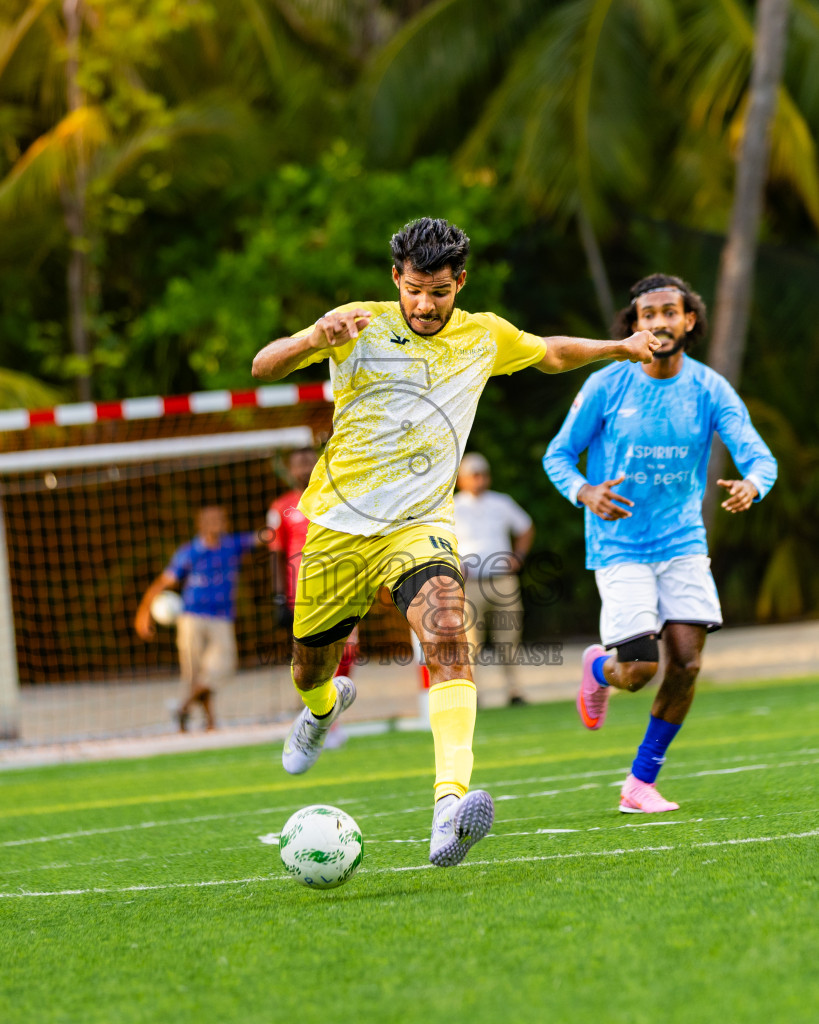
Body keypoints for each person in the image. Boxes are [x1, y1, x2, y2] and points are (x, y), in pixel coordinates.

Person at [251, 216, 660, 867]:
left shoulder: (483, 335)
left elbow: (551, 352)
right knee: (308, 669)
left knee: (449, 639)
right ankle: (322, 711)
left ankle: (448, 809)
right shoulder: (357, 323)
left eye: (438, 292)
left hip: (419, 526)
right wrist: (310, 336)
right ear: (396, 279)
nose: (424, 305)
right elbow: (262, 366)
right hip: (336, 526)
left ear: (459, 283)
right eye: (414, 290)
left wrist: (620, 347)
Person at [543, 273, 778, 813]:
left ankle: (639, 783)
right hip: (618, 544)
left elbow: (758, 456)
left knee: (688, 663)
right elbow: (558, 455)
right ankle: (598, 669)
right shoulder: (607, 385)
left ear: (689, 320)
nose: (659, 323)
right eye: (647, 315)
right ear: (634, 325)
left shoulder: (710, 388)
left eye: (669, 312)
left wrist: (753, 484)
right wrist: (585, 491)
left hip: (682, 542)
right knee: (638, 672)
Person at [135, 506, 259, 731]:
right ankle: (209, 721)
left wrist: (284, 517)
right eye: (211, 519)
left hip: (222, 617)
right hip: (191, 617)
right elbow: (163, 583)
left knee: (222, 666)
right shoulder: (190, 552)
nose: (217, 523)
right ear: (201, 525)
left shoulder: (232, 545)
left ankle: (183, 706)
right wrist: (143, 613)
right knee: (193, 673)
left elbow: (263, 537)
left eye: (220, 518)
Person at [267, 446, 357, 740]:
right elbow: (275, 553)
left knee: (348, 651)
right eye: (298, 463)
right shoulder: (281, 507)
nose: (304, 468)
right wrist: (279, 597)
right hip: (302, 595)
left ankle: (330, 721)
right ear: (289, 469)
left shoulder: (335, 497)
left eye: (309, 461)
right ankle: (318, 722)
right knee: (312, 662)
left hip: (341, 587)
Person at [454, 452, 535, 705]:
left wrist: (519, 556)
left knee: (509, 636)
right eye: (473, 475)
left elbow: (525, 527)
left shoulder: (501, 502)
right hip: (470, 583)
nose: (478, 479)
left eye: (482, 474)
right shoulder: (452, 506)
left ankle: (514, 690)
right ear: (461, 479)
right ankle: (473, 693)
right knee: (470, 641)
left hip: (502, 580)